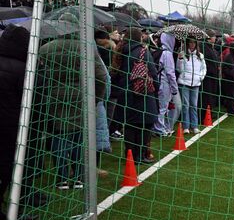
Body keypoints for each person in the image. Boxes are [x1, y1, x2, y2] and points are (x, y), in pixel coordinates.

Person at [39, 14, 108, 190]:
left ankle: (62, 178)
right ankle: (78, 178)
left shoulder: (46, 49)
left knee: (59, 137)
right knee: (78, 138)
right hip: (80, 99)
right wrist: (96, 99)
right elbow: (101, 77)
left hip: (54, 99)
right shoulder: (86, 48)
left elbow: (39, 76)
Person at [0, 24, 47, 220]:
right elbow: (34, 102)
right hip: (13, 129)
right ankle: (15, 212)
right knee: (15, 170)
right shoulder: (24, 69)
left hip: (8, 126)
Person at [113, 28, 158, 165]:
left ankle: (129, 155)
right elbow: (153, 72)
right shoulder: (143, 52)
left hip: (126, 93)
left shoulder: (120, 51)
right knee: (144, 125)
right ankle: (139, 155)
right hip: (142, 93)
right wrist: (155, 87)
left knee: (130, 126)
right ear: (139, 38)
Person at [152, 32, 181, 137]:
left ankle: (159, 127)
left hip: (159, 82)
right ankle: (159, 129)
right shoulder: (167, 54)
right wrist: (174, 88)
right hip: (164, 84)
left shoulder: (159, 51)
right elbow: (170, 73)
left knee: (160, 106)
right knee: (163, 107)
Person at [177, 38, 207, 134]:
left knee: (194, 105)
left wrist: (200, 77)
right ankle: (186, 126)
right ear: (187, 43)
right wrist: (180, 60)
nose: (192, 44)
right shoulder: (182, 54)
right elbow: (178, 69)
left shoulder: (200, 56)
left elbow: (203, 68)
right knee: (185, 105)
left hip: (195, 84)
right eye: (190, 42)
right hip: (184, 83)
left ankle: (194, 126)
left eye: (194, 42)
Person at [199, 30, 221, 118]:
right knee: (207, 96)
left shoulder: (211, 47)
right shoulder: (203, 47)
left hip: (213, 76)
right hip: (207, 76)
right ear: (209, 37)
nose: (215, 38)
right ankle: (205, 113)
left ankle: (210, 111)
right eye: (214, 36)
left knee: (212, 95)